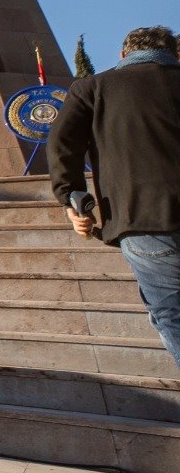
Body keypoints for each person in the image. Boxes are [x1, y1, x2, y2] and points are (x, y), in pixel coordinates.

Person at [48, 25, 180, 367]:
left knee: (173, 315)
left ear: (123, 55)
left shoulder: (93, 87)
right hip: (146, 221)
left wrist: (73, 199)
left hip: (144, 219)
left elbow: (64, 145)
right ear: (174, 53)